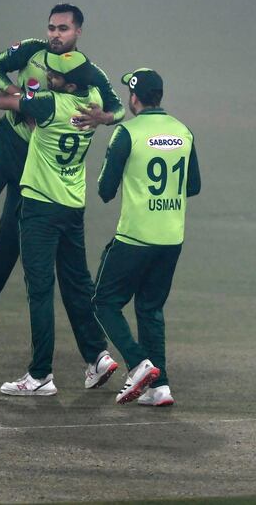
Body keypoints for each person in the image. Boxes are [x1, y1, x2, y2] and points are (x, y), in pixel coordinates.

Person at [0, 4, 124, 347]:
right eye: (52, 28)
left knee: (11, 236)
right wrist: (18, 96)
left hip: (35, 164)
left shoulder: (88, 72)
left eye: (63, 29)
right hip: (4, 146)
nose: (55, 34)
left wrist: (104, 118)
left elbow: (117, 106)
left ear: (78, 32)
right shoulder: (32, 50)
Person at [0, 51, 118, 395]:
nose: (49, 77)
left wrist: (23, 96)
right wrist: (105, 117)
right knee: (77, 284)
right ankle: (98, 356)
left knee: (41, 291)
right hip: (72, 206)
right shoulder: (91, 100)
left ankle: (40, 375)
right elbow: (116, 111)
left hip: (40, 207)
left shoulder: (49, 104)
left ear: (70, 83)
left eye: (56, 76)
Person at [91, 68, 201, 406]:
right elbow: (193, 186)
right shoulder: (183, 131)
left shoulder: (126, 132)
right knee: (151, 308)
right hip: (171, 237)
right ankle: (160, 387)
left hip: (135, 237)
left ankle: (138, 364)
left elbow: (105, 190)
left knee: (104, 302)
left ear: (134, 97)